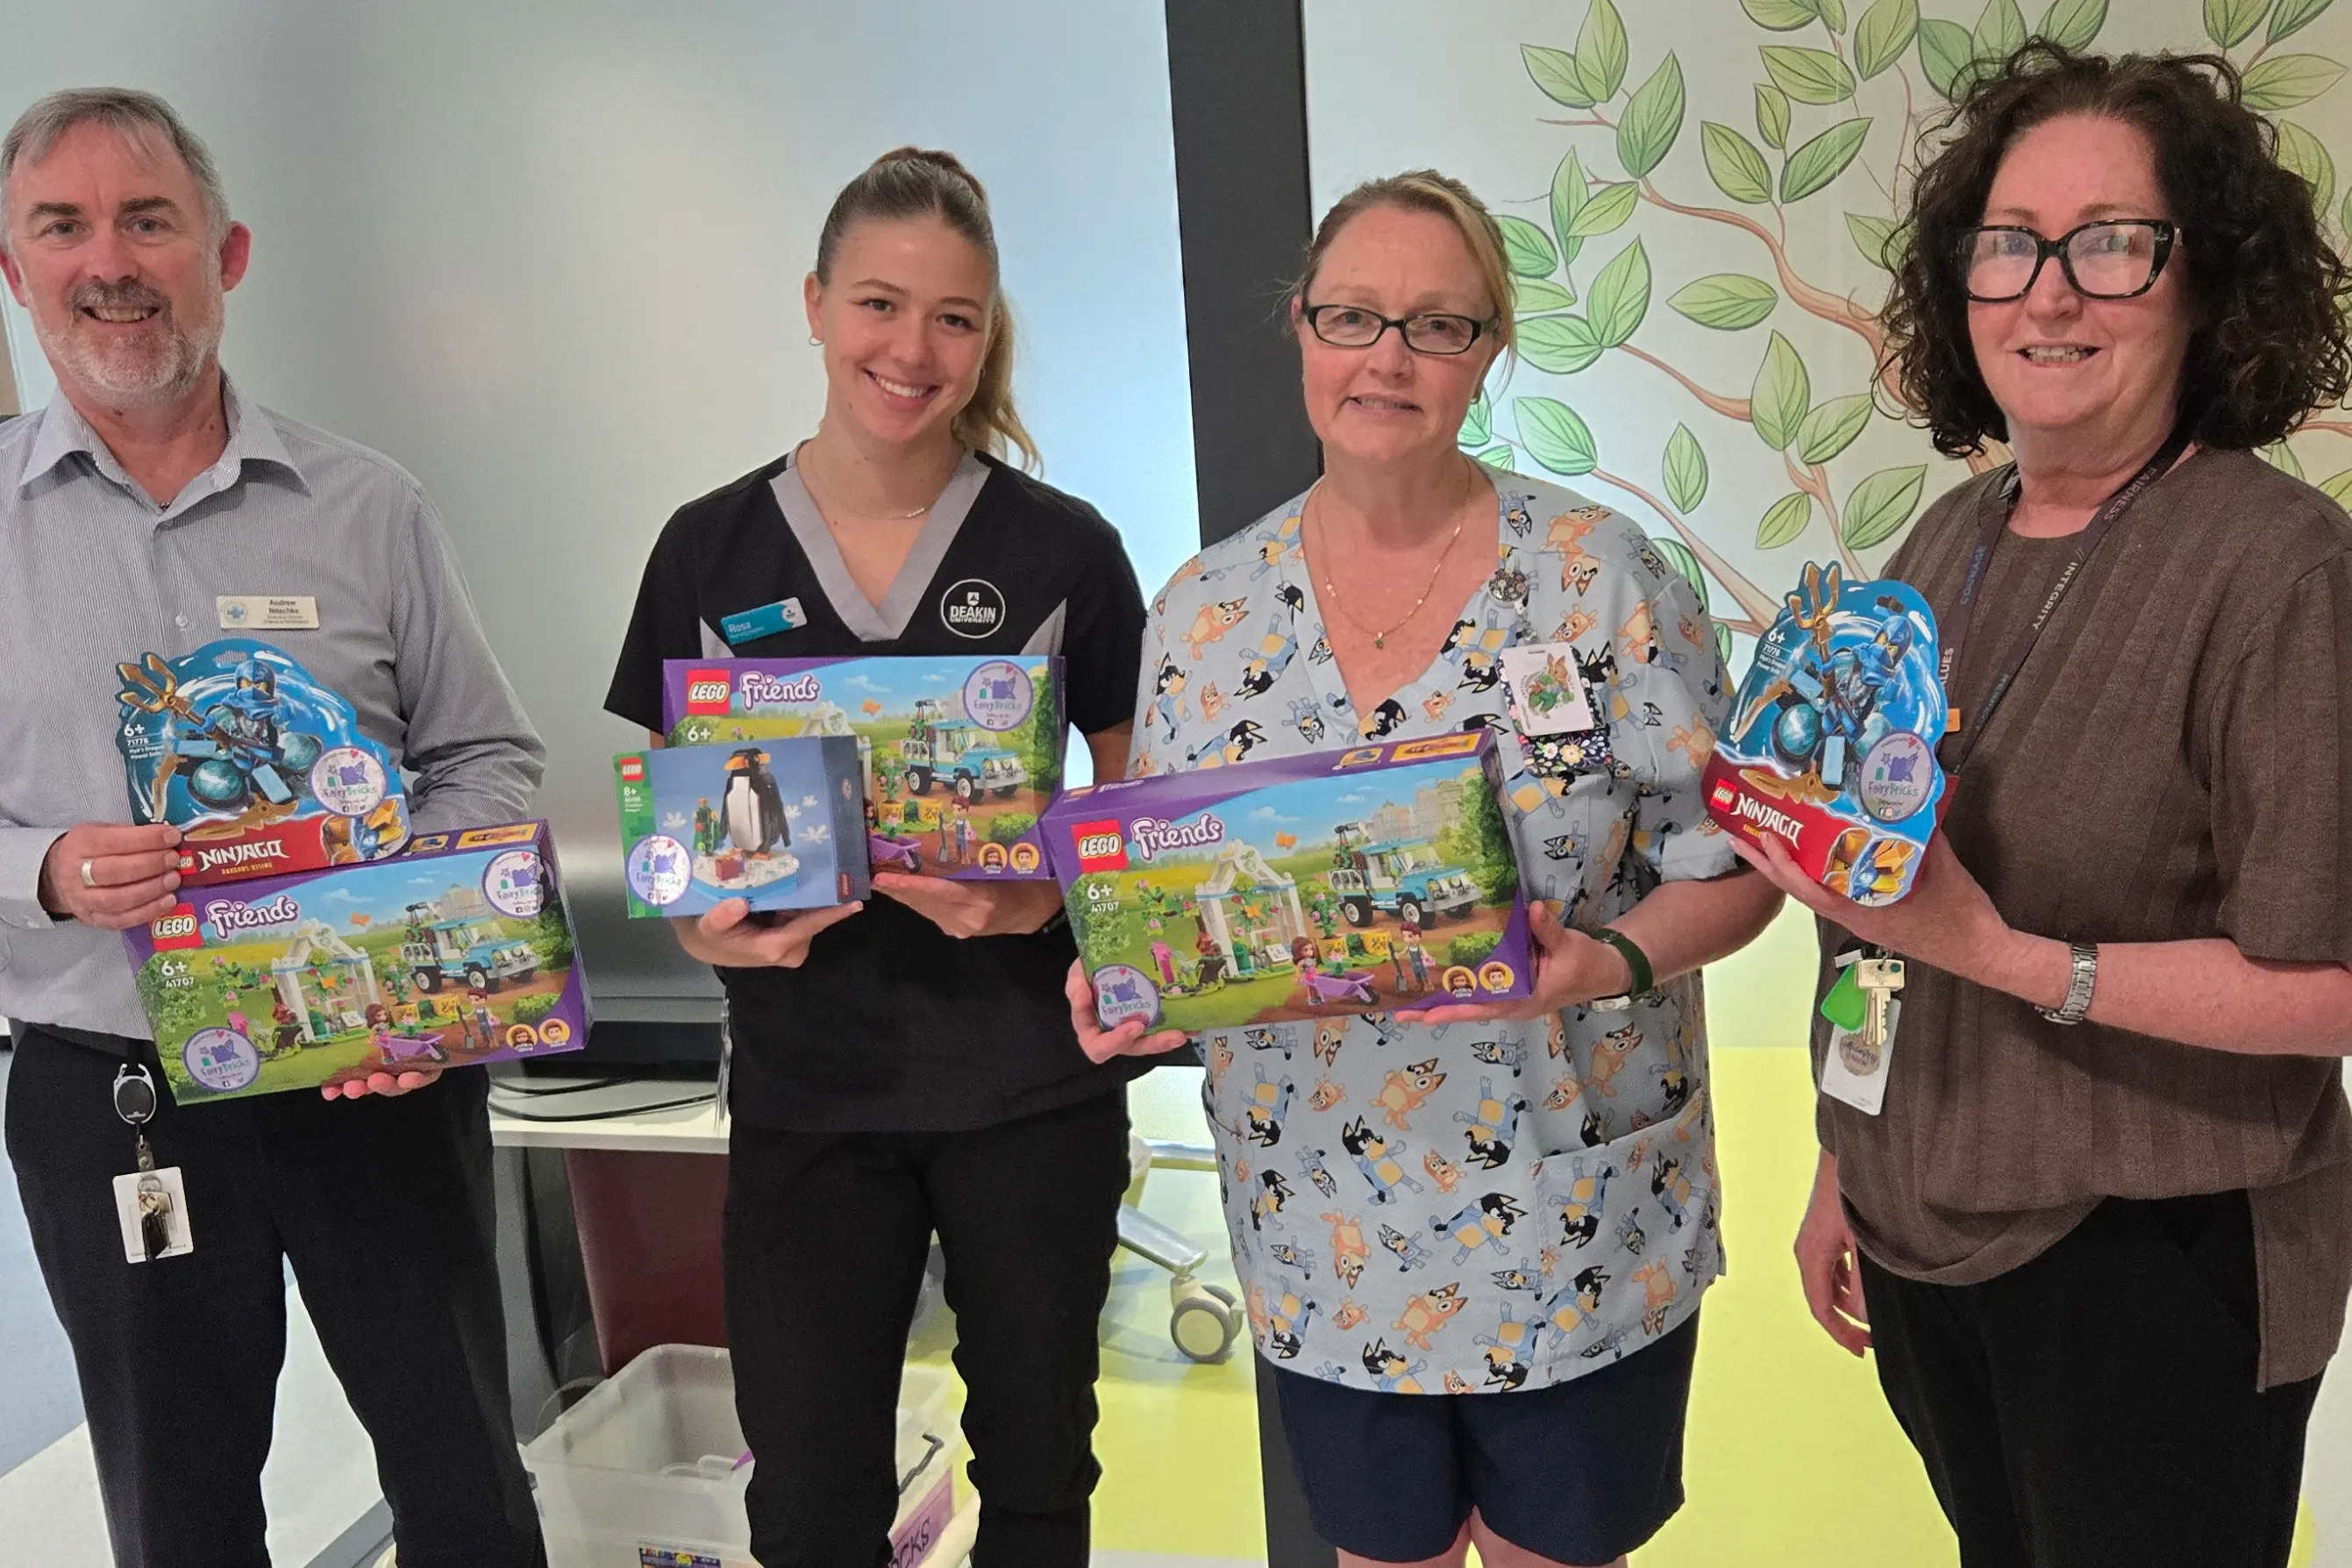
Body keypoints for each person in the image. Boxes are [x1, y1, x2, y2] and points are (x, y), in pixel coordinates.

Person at [1078, 171, 1782, 1568]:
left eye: (1436, 325)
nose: (1386, 358)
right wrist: (1132, 992)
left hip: (1571, 1210)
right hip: (1320, 1223)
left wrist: (1608, 960)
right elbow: (1175, 910)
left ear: (1488, 349)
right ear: (1300, 327)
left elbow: (1739, 863)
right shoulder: (1205, 615)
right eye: (1352, 316)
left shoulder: (1599, 578)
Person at [1727, 44, 2352, 1568]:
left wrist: (2005, 955)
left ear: (2206, 285)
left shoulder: (2280, 572)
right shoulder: (1948, 537)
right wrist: (1846, 1157)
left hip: (2149, 1259)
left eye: (2109, 244)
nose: (2047, 293)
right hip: (1925, 1227)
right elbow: (1874, 903)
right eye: (2006, 244)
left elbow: (2330, 986)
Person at [0, 89, 547, 1568]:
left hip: (371, 1071)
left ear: (225, 253)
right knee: (179, 1517)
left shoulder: (368, 505)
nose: (110, 262)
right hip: (116, 1098)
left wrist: (416, 950)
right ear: (15, 269)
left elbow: (486, 757)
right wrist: (43, 871)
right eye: (64, 226)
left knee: (465, 1483)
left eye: (149, 220)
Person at [603, 146, 1149, 1568]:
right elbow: (680, 841)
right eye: (878, 305)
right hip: (808, 1095)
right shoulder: (708, 551)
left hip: (1028, 1091)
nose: (912, 350)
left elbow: (1138, 816)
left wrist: (1044, 897)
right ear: (814, 305)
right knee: (807, 1502)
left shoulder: (1065, 552)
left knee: (1037, 1471)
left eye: (953, 317)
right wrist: (703, 930)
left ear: (987, 331)